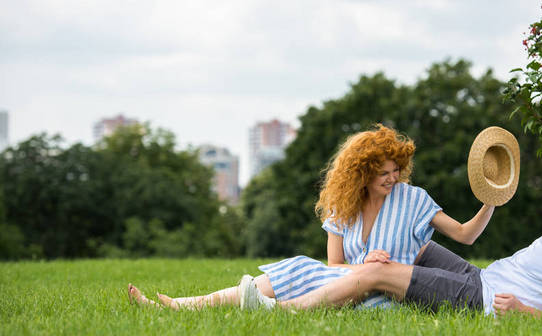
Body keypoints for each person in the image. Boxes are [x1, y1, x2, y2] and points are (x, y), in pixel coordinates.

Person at [128, 124, 503, 310]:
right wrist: (363, 264)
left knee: (300, 271)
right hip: (344, 282)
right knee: (299, 269)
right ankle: (181, 305)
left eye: (396, 170)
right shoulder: (343, 207)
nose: (393, 178)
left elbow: (466, 235)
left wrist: (491, 200)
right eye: (383, 172)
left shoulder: (414, 199)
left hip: (383, 293)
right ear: (362, 172)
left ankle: (249, 308)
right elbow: (336, 265)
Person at [243, 172, 542, 317]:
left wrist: (522, 310)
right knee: (413, 249)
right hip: (483, 277)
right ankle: (345, 280)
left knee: (378, 271)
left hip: (481, 300)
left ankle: (286, 311)